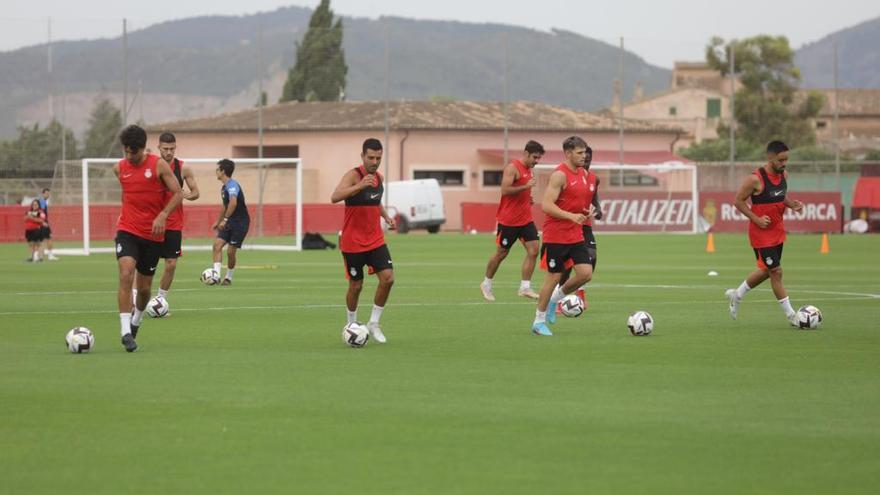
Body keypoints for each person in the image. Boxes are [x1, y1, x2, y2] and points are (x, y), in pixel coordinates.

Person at [114, 125, 183, 352]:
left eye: (133, 152)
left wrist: (163, 215)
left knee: (144, 290)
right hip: (127, 230)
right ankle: (125, 331)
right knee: (126, 273)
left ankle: (136, 322)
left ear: (143, 149)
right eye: (126, 151)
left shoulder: (158, 165)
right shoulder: (119, 169)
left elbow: (178, 193)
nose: (129, 156)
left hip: (153, 236)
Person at [725, 140, 804, 326]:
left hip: (777, 231)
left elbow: (779, 195)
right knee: (776, 272)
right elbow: (738, 201)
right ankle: (792, 316)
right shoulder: (755, 179)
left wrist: (791, 204)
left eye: (786, 159)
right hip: (761, 234)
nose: (784, 163)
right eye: (781, 159)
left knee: (766, 271)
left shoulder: (784, 174)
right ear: (770, 157)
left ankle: (737, 295)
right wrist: (757, 219)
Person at [330, 138, 397, 343]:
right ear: (362, 156)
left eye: (378, 158)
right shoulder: (353, 175)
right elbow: (335, 197)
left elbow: (374, 201)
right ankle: (351, 323)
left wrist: (385, 216)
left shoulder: (379, 178)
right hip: (353, 242)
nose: (374, 161)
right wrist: (359, 186)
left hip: (375, 239)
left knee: (388, 279)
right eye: (371, 157)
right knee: (356, 286)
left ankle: (374, 323)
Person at [531, 136, 596, 337]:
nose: (584, 156)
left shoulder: (584, 174)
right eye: (579, 153)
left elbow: (576, 203)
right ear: (568, 153)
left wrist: (588, 212)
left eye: (585, 152)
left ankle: (554, 300)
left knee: (585, 273)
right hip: (556, 235)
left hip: (575, 234)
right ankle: (538, 322)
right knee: (553, 277)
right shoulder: (559, 175)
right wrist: (570, 216)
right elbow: (546, 205)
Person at [134, 132, 200, 307]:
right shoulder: (153, 166)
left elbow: (195, 192)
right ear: (159, 148)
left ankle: (160, 300)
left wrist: (187, 195)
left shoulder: (183, 168)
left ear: (175, 147)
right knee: (145, 264)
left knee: (171, 264)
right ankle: (135, 297)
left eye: (172, 149)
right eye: (165, 149)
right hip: (152, 222)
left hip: (173, 224)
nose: (169, 152)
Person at [480, 140, 544, 301]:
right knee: (502, 253)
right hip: (508, 220)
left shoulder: (529, 170)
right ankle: (486, 283)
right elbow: (505, 190)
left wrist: (527, 198)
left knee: (534, 250)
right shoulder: (512, 168)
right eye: (535, 157)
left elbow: (521, 191)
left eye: (538, 159)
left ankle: (525, 287)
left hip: (525, 219)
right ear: (526, 154)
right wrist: (525, 187)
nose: (536, 161)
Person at [556, 145, 602, 311]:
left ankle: (580, 291)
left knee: (592, 258)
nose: (585, 158)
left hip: (585, 226)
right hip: (568, 225)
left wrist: (597, 211)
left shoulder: (593, 179)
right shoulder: (567, 175)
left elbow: (595, 201)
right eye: (582, 155)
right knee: (566, 265)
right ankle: (560, 298)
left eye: (588, 156)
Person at [211, 159, 250, 286]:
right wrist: (218, 221)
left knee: (230, 252)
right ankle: (216, 276)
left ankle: (228, 277)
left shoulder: (232, 185)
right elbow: (225, 205)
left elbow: (233, 203)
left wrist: (225, 220)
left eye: (217, 169)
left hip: (240, 223)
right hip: (230, 221)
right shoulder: (224, 187)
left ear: (222, 171)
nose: (216, 172)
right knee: (217, 246)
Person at [37, 188, 59, 261]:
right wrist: (43, 222)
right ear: (43, 194)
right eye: (46, 193)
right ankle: (46, 255)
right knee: (47, 239)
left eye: (48, 193)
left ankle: (39, 255)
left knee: (45, 239)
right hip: (44, 223)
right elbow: (41, 212)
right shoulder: (42, 201)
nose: (48, 195)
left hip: (42, 222)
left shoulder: (42, 201)